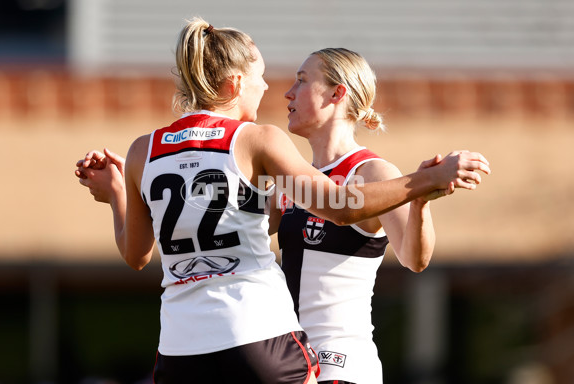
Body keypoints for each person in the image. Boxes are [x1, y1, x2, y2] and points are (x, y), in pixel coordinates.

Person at [74, 18, 490, 384]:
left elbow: (139, 253)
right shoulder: (259, 147)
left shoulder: (144, 151)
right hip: (262, 340)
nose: (276, 88)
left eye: (300, 80)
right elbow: (341, 208)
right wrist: (426, 180)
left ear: (337, 95)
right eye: (263, 76)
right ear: (236, 83)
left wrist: (118, 193)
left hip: (201, 349)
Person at [269, 47, 479, 383]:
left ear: (338, 93)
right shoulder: (294, 177)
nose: (287, 93)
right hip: (293, 362)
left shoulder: (372, 171)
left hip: (342, 361)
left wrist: (420, 202)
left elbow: (415, 259)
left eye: (302, 81)